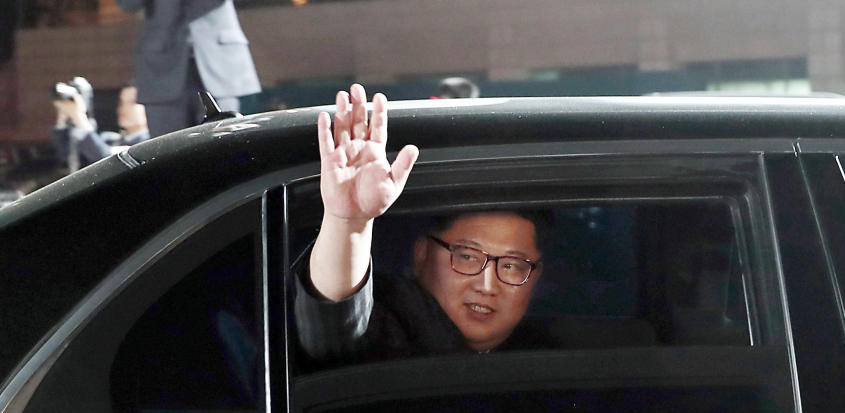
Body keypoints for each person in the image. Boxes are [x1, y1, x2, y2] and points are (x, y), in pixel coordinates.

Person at [294, 84, 545, 365]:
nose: (487, 286)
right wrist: (348, 223)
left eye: (511, 265)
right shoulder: (395, 329)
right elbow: (333, 336)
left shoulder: (557, 355)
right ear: (421, 254)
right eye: (467, 256)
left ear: (536, 277)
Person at [116, 0, 261, 137]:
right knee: (168, 153)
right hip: (161, 64)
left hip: (218, 57)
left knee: (226, 148)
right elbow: (128, 4)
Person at [52, 83, 150, 172]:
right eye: (120, 102)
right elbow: (68, 156)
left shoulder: (149, 142)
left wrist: (79, 118)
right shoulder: (110, 139)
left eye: (132, 102)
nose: (123, 107)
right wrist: (63, 118)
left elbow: (107, 161)